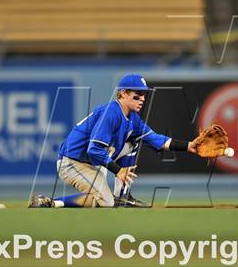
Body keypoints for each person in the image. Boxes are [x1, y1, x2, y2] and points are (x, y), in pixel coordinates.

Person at [29, 73, 197, 208]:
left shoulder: (133, 119)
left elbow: (157, 140)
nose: (143, 99)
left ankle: (122, 196)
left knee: (134, 141)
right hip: (71, 162)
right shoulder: (111, 112)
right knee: (106, 203)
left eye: (144, 95)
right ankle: (51, 203)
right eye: (138, 95)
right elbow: (93, 150)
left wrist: (188, 146)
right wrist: (118, 170)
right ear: (123, 93)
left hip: (89, 162)